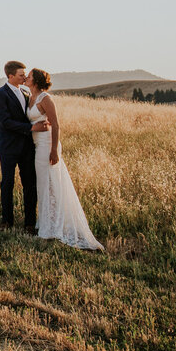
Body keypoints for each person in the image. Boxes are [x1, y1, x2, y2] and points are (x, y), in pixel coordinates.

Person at [25, 68, 104, 251]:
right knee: (44, 185)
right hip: (37, 147)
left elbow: (56, 125)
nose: (26, 78)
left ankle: (54, 226)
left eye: (29, 76)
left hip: (47, 146)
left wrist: (54, 150)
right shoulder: (30, 97)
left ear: (35, 80)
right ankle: (47, 223)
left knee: (51, 184)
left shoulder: (46, 98)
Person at [0, 61, 50, 231]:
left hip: (26, 146)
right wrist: (31, 128)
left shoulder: (26, 93)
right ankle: (7, 221)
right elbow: (6, 122)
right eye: (20, 75)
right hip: (8, 146)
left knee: (30, 184)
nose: (24, 77)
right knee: (8, 183)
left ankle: (30, 223)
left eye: (25, 74)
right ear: (10, 76)